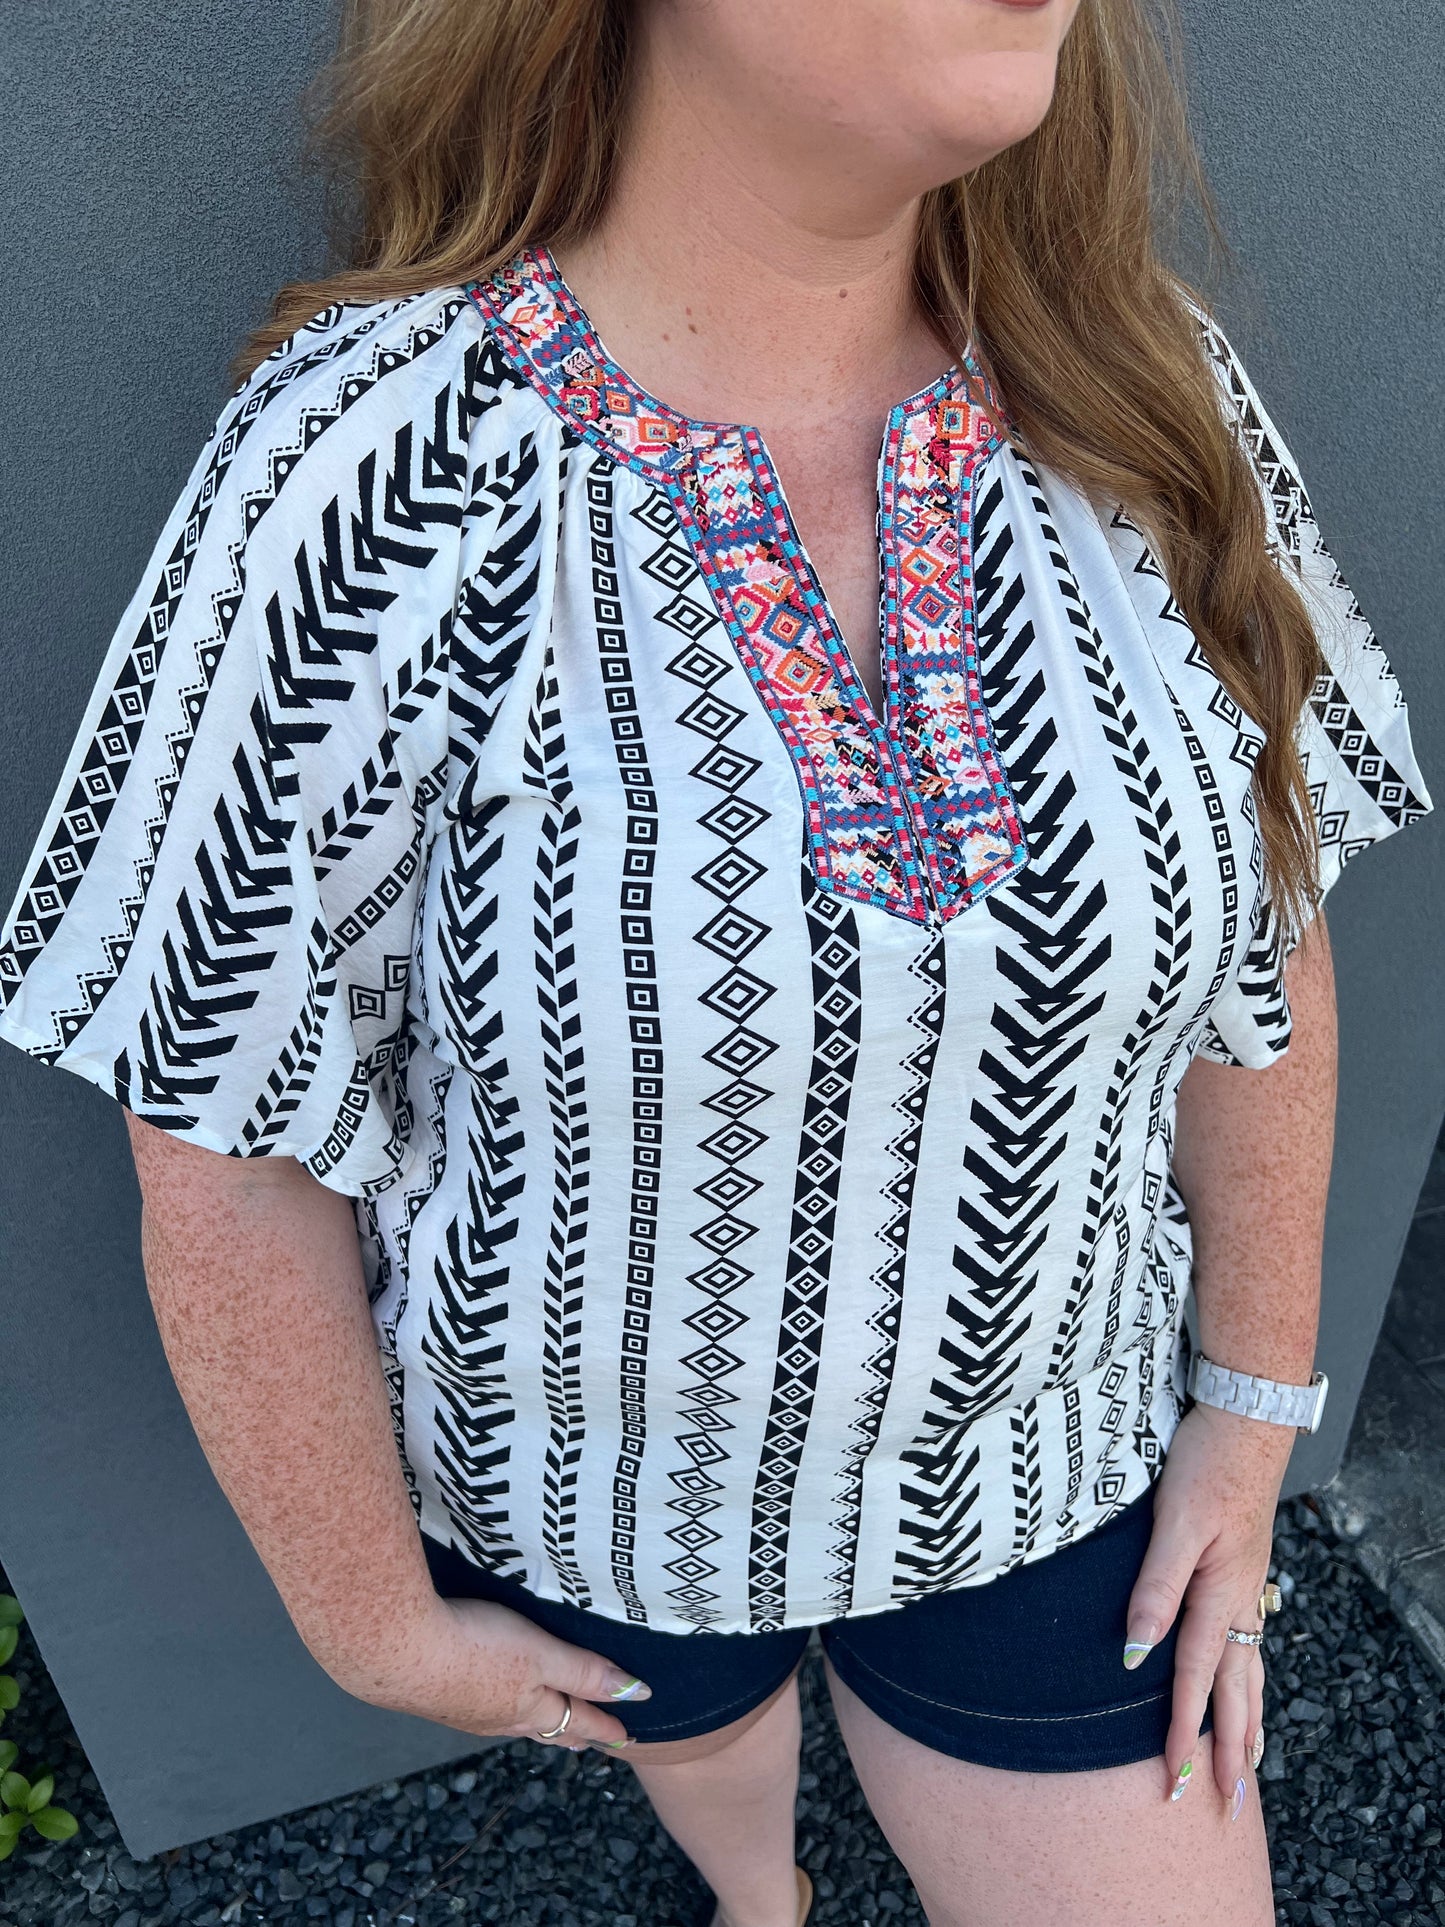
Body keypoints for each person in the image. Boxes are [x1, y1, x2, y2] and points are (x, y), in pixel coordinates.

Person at [0, 1, 1432, 1922]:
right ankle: (759, 1891)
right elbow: (225, 1110)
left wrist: (1250, 1425)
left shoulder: (1143, 395)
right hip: (594, 1500)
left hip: (1052, 1464)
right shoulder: (357, 467)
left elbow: (1267, 940)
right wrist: (367, 1623)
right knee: (705, 1753)